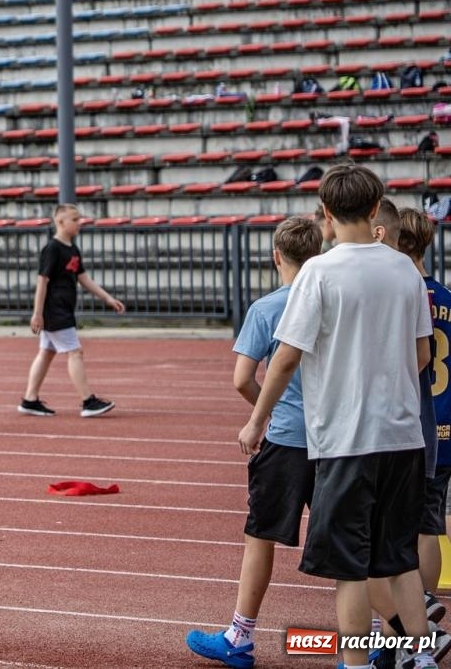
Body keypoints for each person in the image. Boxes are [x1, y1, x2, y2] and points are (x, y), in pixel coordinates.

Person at [237, 166, 435, 669]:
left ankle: (355, 663)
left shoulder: (318, 274)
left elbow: (284, 357)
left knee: (350, 567)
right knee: (399, 560)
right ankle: (422, 656)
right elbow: (421, 357)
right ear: (376, 211)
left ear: (325, 215)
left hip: (347, 439)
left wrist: (258, 420)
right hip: (402, 436)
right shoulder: (404, 271)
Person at [184, 217, 324, 669]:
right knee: (350, 539)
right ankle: (370, 644)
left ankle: (240, 636)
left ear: (276, 256)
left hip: (286, 438)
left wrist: (266, 411)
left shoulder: (267, 309)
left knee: (260, 538)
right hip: (340, 438)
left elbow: (243, 378)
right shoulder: (336, 301)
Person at [396, 208, 451, 631]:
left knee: (400, 523)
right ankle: (427, 600)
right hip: (447, 418)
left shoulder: (402, 295)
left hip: (412, 422)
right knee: (431, 519)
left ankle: (416, 612)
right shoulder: (447, 296)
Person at [18, 204, 125, 418]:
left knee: (47, 352)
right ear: (60, 222)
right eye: (74, 219)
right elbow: (42, 282)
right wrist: (37, 313)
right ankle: (88, 401)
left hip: (62, 309)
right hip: (55, 311)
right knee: (75, 352)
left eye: (79, 219)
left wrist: (107, 298)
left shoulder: (72, 249)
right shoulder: (53, 249)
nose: (80, 222)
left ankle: (30, 399)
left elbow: (83, 278)